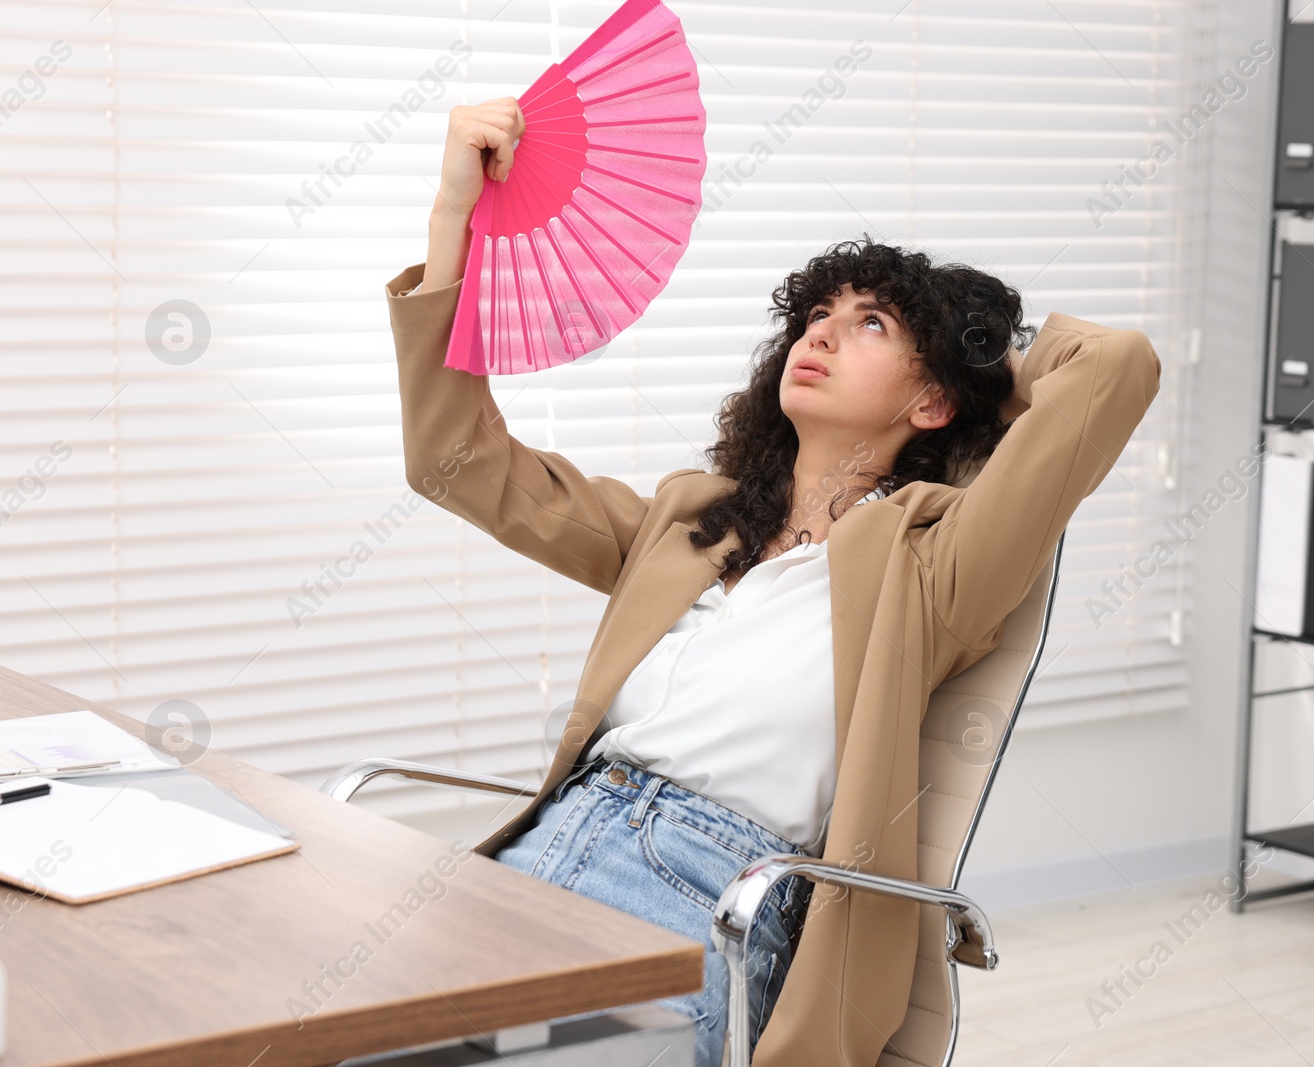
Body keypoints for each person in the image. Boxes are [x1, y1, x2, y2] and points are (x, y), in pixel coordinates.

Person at [386, 96, 1161, 1067]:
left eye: (869, 321)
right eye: (814, 315)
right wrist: (453, 216)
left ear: (930, 400)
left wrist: (977, 352)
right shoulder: (687, 521)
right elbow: (454, 459)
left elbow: (1117, 367)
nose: (821, 334)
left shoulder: (933, 564)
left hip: (703, 894)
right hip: (540, 847)